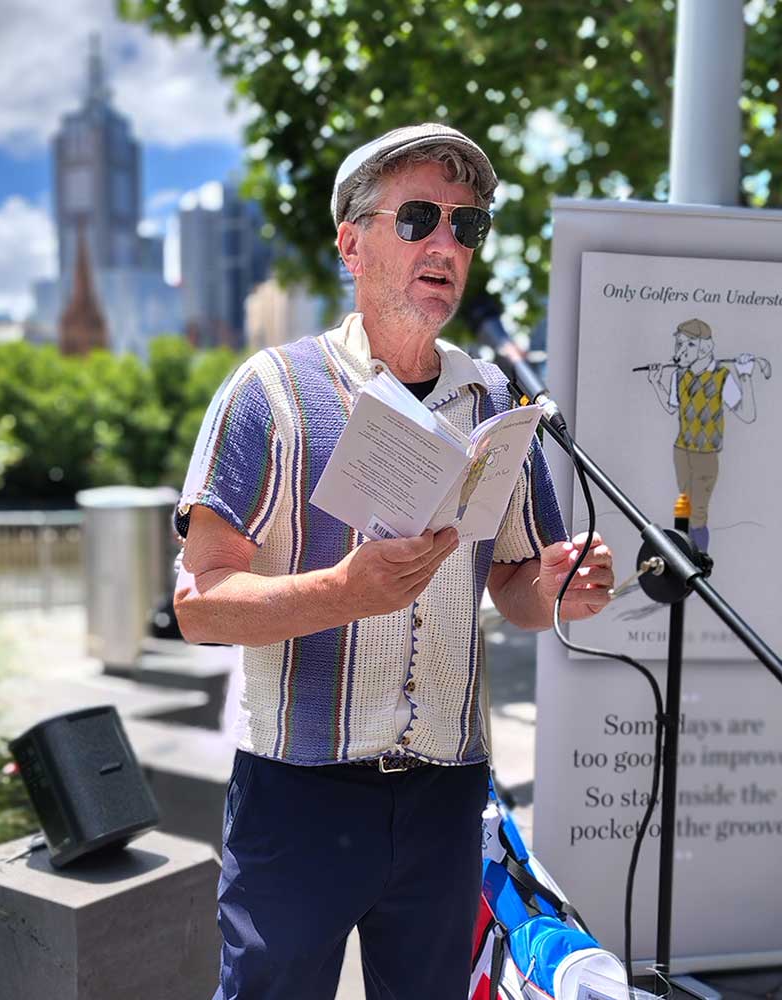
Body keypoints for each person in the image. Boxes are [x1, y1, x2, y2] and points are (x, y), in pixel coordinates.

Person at [173, 122, 614, 1000]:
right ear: (352, 243)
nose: (447, 243)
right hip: (298, 796)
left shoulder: (494, 396)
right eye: (419, 218)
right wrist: (344, 590)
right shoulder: (270, 390)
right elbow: (199, 603)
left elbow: (517, 590)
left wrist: (561, 586)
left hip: (449, 800)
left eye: (468, 225)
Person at [647, 318, 757, 552]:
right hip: (681, 449)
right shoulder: (680, 375)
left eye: (689, 345)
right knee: (683, 502)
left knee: (698, 511)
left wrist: (745, 375)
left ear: (706, 348)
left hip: (706, 453)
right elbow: (671, 407)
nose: (680, 353)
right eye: (679, 345)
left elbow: (747, 414)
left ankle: (699, 560)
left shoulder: (721, 377)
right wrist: (657, 383)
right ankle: (679, 554)